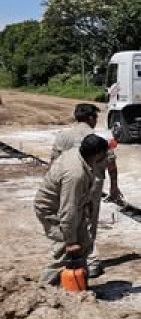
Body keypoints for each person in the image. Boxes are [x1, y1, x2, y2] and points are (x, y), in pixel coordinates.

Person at [50, 103, 122, 277]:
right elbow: (111, 165)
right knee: (88, 222)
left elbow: (53, 163)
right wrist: (114, 187)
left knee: (68, 217)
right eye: (96, 118)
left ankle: (71, 259)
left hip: (67, 183)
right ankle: (90, 262)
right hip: (92, 186)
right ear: (91, 118)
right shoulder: (98, 138)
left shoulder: (63, 136)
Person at [34, 134, 109, 285]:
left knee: (84, 243)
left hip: (70, 206)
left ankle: (77, 287)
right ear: (98, 154)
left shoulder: (80, 154)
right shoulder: (75, 175)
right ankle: (43, 289)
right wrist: (70, 241)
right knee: (65, 251)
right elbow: (68, 211)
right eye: (105, 153)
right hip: (52, 210)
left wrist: (87, 203)